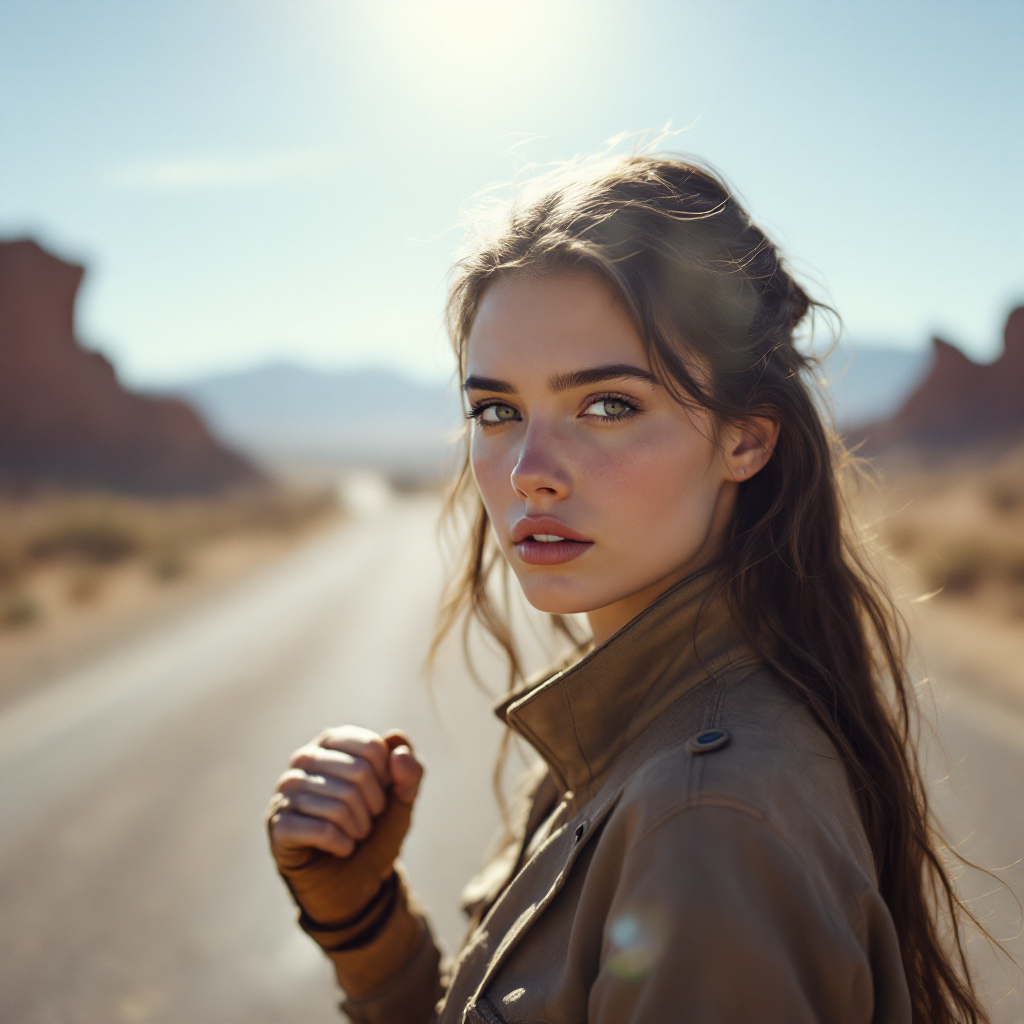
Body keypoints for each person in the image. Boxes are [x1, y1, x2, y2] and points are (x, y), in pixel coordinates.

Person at [265, 155, 987, 1023]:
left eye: (607, 405)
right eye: (497, 411)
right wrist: (364, 921)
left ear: (745, 442)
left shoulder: (705, 820)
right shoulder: (641, 733)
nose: (530, 473)